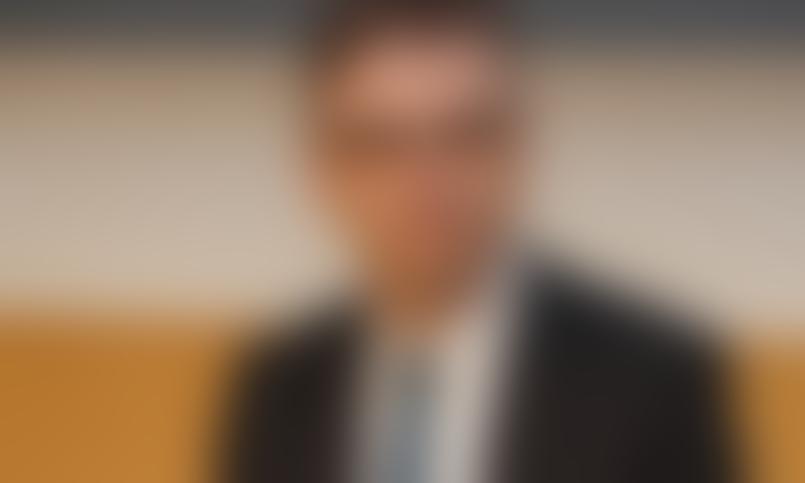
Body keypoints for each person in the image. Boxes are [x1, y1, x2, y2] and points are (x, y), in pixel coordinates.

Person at [224, 1, 733, 482]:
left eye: (464, 136)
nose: (425, 181)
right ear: (323, 170)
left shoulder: (648, 383)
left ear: (519, 151)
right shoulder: (284, 385)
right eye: (382, 144)